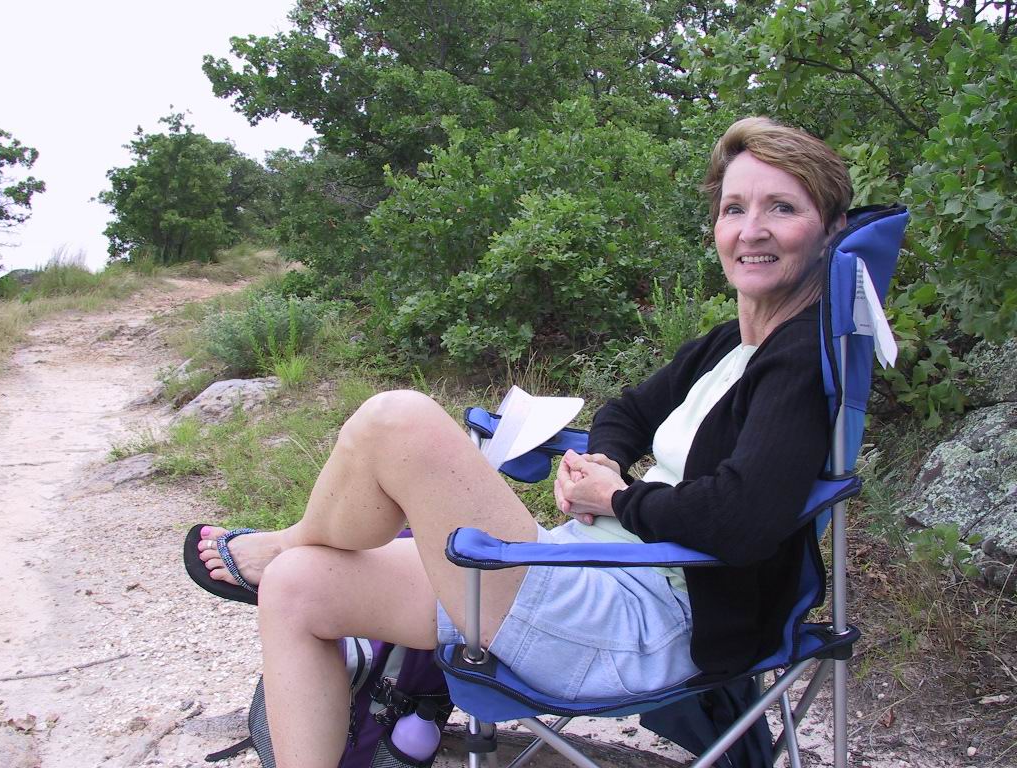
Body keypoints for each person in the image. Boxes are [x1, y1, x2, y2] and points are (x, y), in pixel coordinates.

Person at [194, 116, 853, 767]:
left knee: (400, 421)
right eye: (734, 207)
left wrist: (619, 498)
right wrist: (606, 461)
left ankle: (287, 535)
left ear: (830, 230)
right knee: (297, 587)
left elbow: (741, 520)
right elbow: (628, 409)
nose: (751, 228)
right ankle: (289, 555)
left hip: (644, 622)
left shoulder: (798, 359)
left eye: (782, 207)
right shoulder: (728, 345)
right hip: (587, 568)